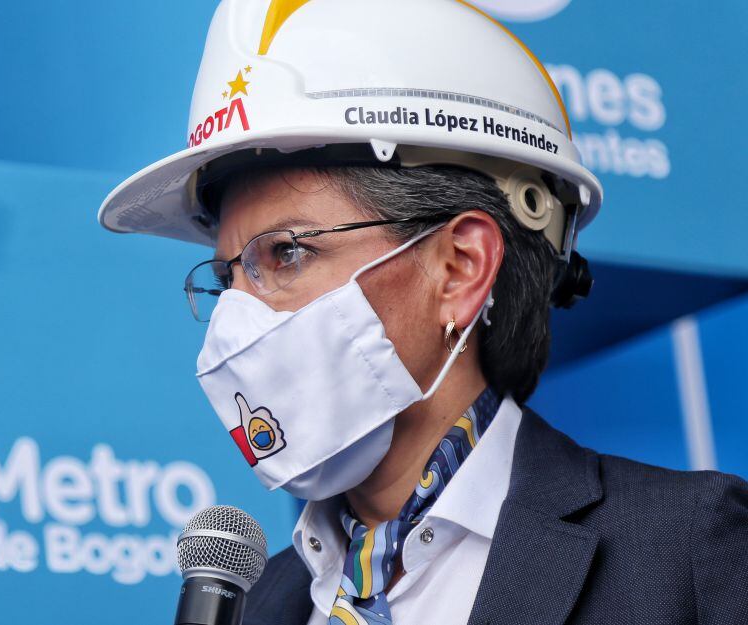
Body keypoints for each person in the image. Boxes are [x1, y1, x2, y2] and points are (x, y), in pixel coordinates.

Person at [98, 1, 748, 623]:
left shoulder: (685, 552)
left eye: (287, 252)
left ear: (460, 268)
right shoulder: (258, 602)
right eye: (227, 277)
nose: (235, 321)